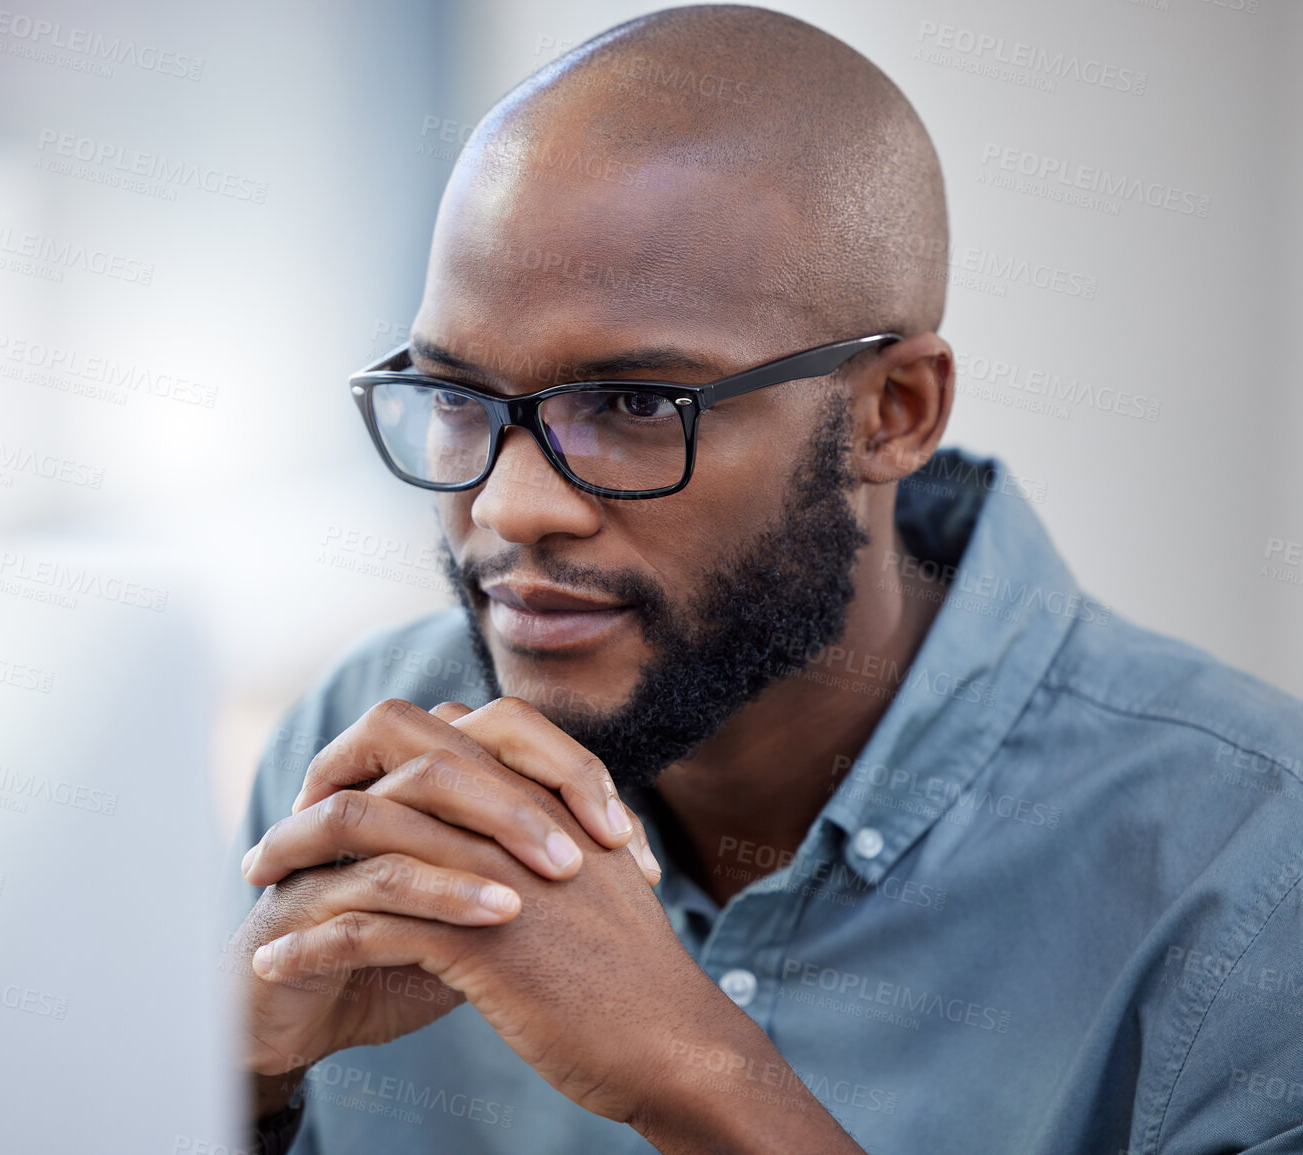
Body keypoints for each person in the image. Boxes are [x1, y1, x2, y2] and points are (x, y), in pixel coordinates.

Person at [228, 6, 1303, 1153]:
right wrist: (233, 1085)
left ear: (893, 414)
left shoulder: (1253, 873)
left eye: (637, 407)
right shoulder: (358, 754)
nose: (510, 508)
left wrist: (695, 1078)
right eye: (457, 398)